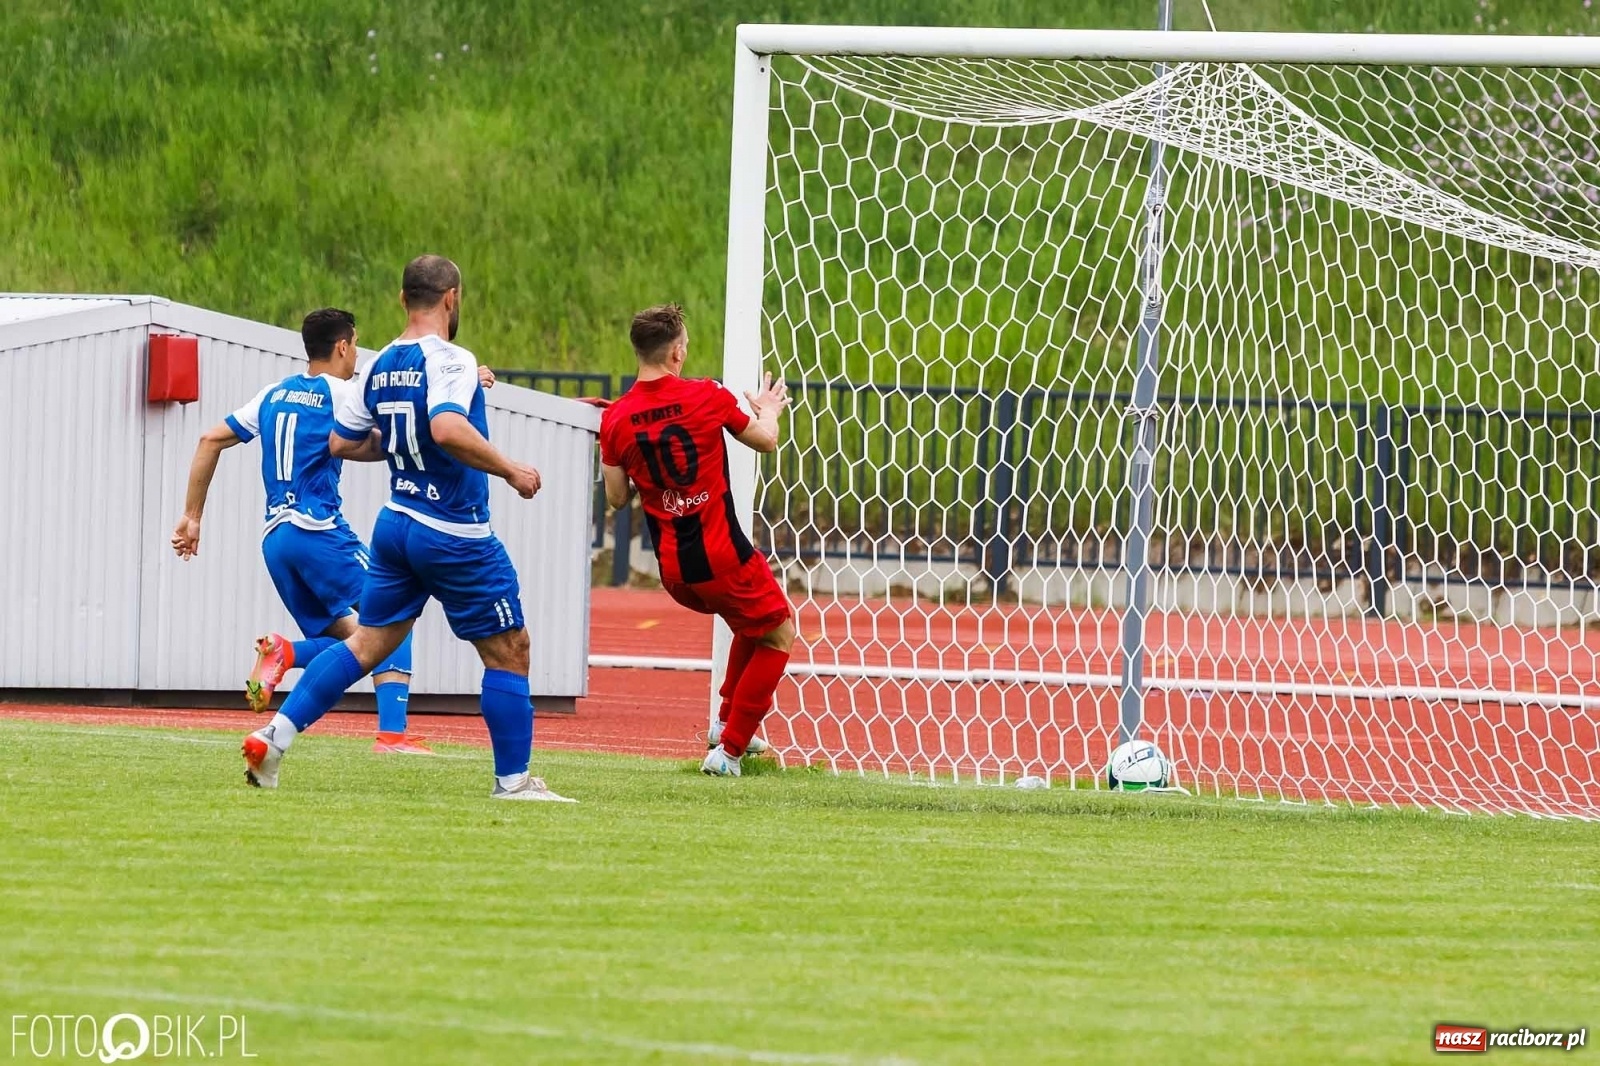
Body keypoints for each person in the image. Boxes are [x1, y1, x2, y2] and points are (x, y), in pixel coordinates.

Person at [239, 255, 572, 802]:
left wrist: (398, 440)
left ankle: (274, 737)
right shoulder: (452, 358)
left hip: (396, 525)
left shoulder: (380, 364)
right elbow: (446, 428)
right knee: (510, 649)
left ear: (402, 299)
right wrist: (511, 469)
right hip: (453, 529)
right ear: (452, 297)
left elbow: (343, 442)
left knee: (368, 644)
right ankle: (513, 782)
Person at [172, 308, 429, 755]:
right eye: (356, 345)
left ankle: (286, 653)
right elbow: (394, 424)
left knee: (352, 640)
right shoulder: (342, 392)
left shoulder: (273, 393)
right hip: (317, 531)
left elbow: (209, 439)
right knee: (394, 616)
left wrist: (192, 516)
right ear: (343, 346)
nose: (356, 355)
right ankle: (393, 736)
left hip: (276, 542)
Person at [599, 304, 794, 777]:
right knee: (780, 631)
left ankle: (726, 722)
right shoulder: (706, 395)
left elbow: (617, 498)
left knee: (753, 623)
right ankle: (728, 752)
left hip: (675, 571)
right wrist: (768, 410)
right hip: (722, 555)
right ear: (677, 353)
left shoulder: (616, 419)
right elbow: (766, 440)